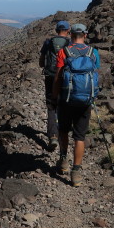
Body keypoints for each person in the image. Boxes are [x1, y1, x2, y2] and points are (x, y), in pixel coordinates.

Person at [52, 23, 100, 187]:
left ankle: (64, 160)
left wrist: (54, 96)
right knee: (80, 136)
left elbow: (58, 77)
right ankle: (76, 172)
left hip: (66, 99)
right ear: (85, 35)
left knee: (63, 130)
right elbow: (95, 74)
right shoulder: (93, 52)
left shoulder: (63, 52)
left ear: (71, 35)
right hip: (85, 100)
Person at [39, 20, 71, 151]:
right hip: (64, 77)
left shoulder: (48, 42)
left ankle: (53, 135)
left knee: (51, 104)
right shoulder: (70, 43)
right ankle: (64, 133)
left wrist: (44, 66)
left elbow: (42, 60)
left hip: (50, 76)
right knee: (63, 104)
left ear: (57, 30)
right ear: (68, 30)